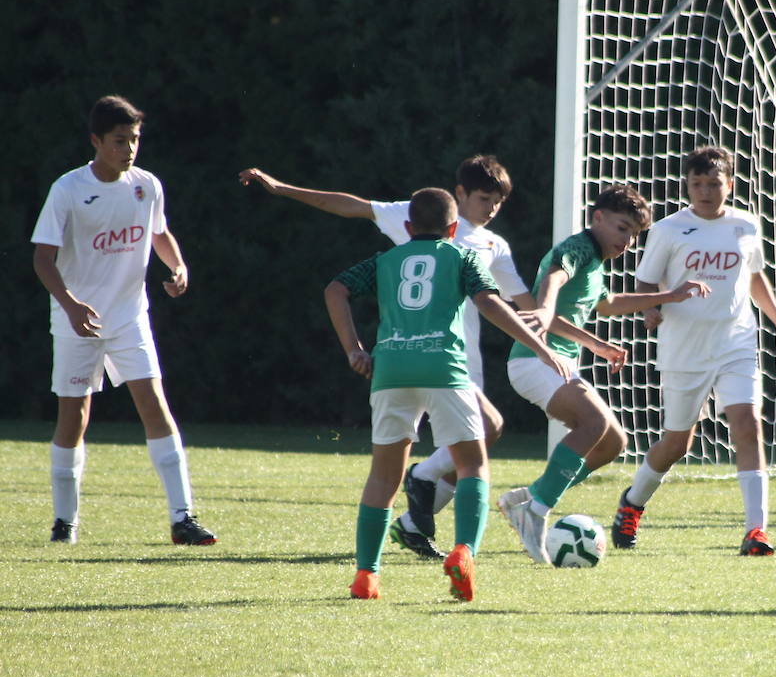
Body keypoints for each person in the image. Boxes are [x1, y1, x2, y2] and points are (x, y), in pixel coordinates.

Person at [240, 156, 531, 557]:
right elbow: (347, 204)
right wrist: (284, 188)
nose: (492, 207)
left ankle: (404, 529)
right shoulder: (417, 217)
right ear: (459, 195)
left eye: (498, 201)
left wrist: (569, 330)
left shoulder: (493, 244)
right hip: (442, 362)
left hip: (409, 362)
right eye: (484, 198)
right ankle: (435, 505)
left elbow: (526, 304)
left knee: (483, 432)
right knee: (474, 450)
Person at [324, 187, 573, 600]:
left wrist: (354, 348)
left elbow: (335, 289)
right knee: (473, 465)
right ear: (454, 228)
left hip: (391, 370)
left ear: (407, 227)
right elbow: (492, 304)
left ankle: (367, 575)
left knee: (384, 476)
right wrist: (542, 348)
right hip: (445, 370)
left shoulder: (386, 258)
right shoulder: (462, 256)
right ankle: (464, 554)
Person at [31, 95, 217, 546]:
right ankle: (65, 523)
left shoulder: (146, 185)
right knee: (73, 418)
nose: (129, 149)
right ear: (96, 140)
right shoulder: (69, 189)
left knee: (155, 406)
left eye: (134, 139)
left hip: (130, 317)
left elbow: (159, 232)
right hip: (78, 322)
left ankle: (182, 518)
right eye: (119, 141)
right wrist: (72, 306)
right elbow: (42, 259)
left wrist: (178, 266)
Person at [498, 184, 712, 564]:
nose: (628, 240)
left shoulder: (596, 263)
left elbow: (607, 304)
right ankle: (536, 511)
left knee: (613, 442)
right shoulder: (578, 247)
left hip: (555, 361)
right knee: (593, 423)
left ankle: (531, 496)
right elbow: (555, 275)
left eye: (634, 234)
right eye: (622, 228)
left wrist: (669, 297)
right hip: (533, 361)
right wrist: (544, 309)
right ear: (598, 217)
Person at [611, 146, 776, 556]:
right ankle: (633, 503)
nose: (705, 191)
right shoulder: (668, 229)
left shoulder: (746, 225)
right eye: (697, 183)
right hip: (684, 350)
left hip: (736, 342)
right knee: (678, 444)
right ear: (687, 185)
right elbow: (645, 285)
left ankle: (756, 531)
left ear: (729, 185)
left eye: (714, 183)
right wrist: (651, 311)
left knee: (748, 425)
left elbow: (754, 278)